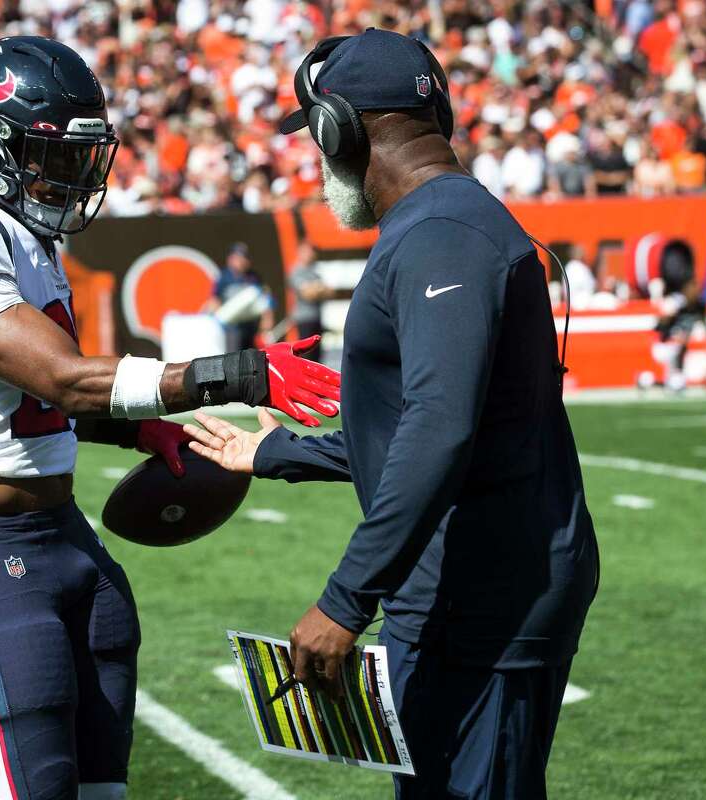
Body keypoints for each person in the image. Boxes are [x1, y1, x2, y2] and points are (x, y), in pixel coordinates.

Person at [0, 37, 337, 800]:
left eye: (81, 157)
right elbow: (57, 376)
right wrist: (240, 373)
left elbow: (43, 402)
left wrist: (133, 427)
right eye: (50, 155)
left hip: (69, 541)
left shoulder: (29, 239)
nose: (70, 175)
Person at [186, 29, 598, 800]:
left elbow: (441, 425)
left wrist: (345, 600)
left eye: (315, 132)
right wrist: (274, 453)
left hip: (481, 606)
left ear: (342, 127)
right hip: (466, 595)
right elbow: (421, 424)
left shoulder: (441, 234)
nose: (314, 156)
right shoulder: (438, 224)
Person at [286, 240, 353, 363]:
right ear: (300, 252)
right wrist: (319, 289)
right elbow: (308, 294)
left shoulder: (315, 272)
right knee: (307, 356)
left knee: (317, 357)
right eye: (308, 251)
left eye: (312, 251)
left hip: (317, 318)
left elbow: (330, 292)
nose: (311, 254)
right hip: (305, 320)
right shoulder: (297, 271)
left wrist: (316, 288)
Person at [203, 241, 275, 350]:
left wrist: (267, 319)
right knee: (234, 359)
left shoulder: (253, 277)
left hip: (250, 327)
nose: (241, 261)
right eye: (238, 257)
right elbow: (214, 300)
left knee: (251, 359)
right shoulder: (224, 277)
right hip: (231, 329)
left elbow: (265, 299)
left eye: (244, 258)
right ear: (230, 258)